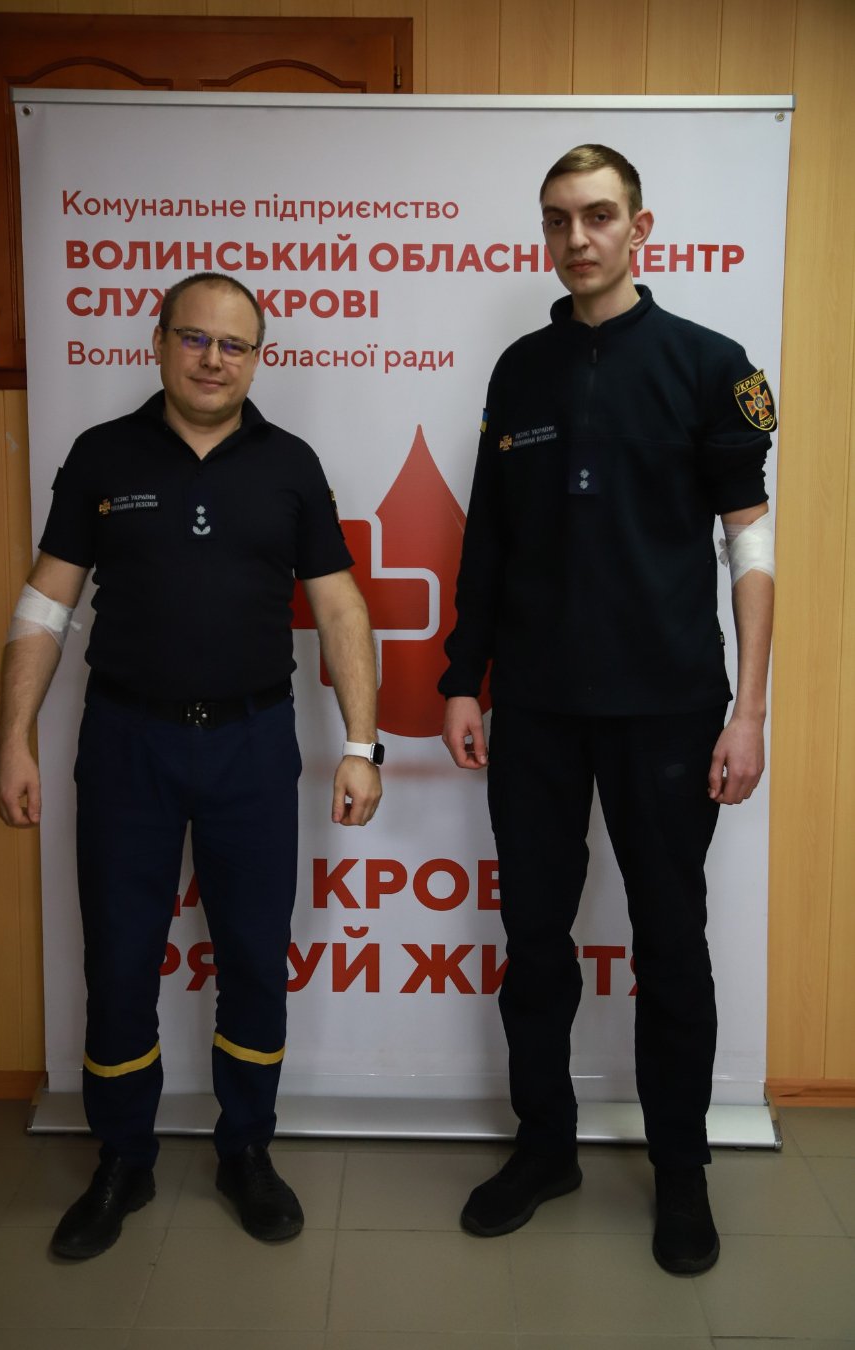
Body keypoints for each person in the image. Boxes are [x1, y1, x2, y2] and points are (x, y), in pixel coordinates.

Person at [0, 271, 384, 1259]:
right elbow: (46, 603)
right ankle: (122, 1160)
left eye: (235, 344)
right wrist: (13, 737)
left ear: (259, 358)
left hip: (253, 744)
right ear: (160, 342)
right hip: (128, 744)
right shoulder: (101, 455)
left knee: (253, 959)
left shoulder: (291, 465)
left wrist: (361, 744)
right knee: (119, 962)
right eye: (196, 338)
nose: (214, 360)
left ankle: (245, 1150)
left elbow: (340, 607)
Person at [439, 145, 775, 1275]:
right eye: (557, 219)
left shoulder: (709, 365)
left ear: (641, 228)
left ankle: (681, 1172)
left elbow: (750, 552)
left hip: (670, 708)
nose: (575, 238)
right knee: (535, 940)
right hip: (536, 708)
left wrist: (750, 712)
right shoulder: (521, 371)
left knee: (670, 941)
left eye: (596, 216)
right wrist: (462, 678)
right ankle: (546, 1149)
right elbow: (488, 541)